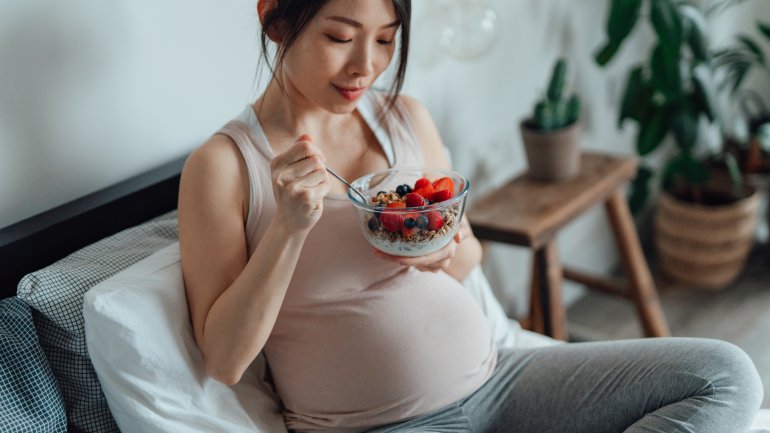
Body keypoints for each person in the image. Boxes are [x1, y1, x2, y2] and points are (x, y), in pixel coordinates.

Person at [177, 1, 764, 432]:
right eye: (340, 36)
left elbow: (468, 253)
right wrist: (288, 229)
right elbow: (226, 361)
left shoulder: (404, 117)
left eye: (386, 40)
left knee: (724, 375)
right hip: (383, 423)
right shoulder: (225, 165)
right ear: (275, 18)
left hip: (501, 381)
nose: (366, 66)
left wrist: (442, 250)